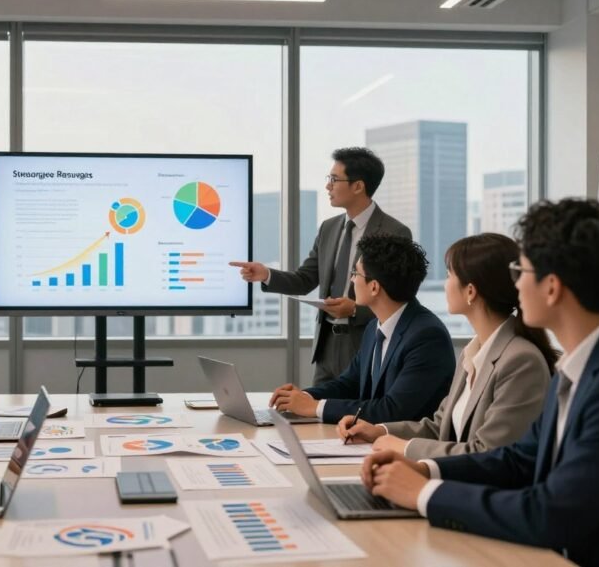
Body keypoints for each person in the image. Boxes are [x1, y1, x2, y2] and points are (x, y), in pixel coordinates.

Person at [361, 199, 599, 566]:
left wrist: (425, 494)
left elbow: (553, 513)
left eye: (522, 270)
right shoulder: (582, 364)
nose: (515, 283)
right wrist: (425, 469)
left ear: (551, 288)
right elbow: (520, 460)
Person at [338, 233, 555, 459]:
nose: (445, 283)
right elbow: (440, 426)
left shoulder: (520, 361)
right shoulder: (472, 354)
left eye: (450, 274)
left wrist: (404, 448)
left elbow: (488, 453)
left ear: (470, 291)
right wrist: (379, 431)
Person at [231, 147, 411, 386]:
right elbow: (305, 279)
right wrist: (266, 275)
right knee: (316, 414)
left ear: (358, 186)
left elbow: (400, 300)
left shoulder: (394, 232)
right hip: (326, 348)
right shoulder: (329, 228)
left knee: (355, 417)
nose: (328, 186)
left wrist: (355, 310)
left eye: (334, 179)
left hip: (366, 344)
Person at [269, 234, 454, 424]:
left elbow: (392, 410)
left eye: (356, 273)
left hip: (407, 448)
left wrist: (315, 407)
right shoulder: (375, 326)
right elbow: (349, 384)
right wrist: (304, 397)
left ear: (374, 287)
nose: (352, 280)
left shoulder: (427, 337)